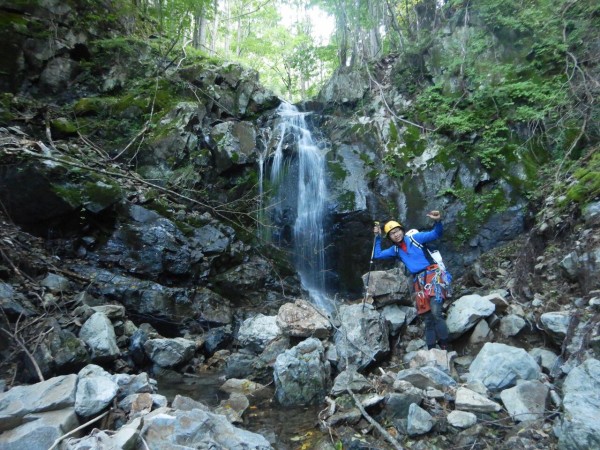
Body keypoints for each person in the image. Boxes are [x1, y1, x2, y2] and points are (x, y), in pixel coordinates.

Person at [373, 211, 451, 350]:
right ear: (390, 237)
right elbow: (377, 255)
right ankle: (432, 349)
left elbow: (436, 234)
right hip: (418, 282)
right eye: (392, 233)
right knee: (427, 318)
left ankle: (445, 345)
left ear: (402, 231)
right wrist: (377, 237)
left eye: (397, 231)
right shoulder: (395, 250)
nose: (396, 234)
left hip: (433, 275)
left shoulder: (416, 238)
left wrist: (438, 221)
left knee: (436, 312)